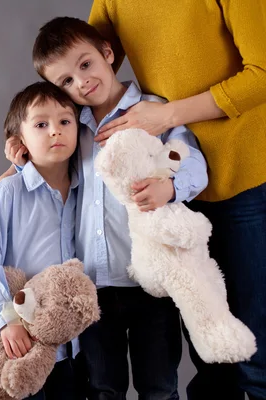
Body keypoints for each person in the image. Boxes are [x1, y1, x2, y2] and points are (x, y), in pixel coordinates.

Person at [0, 17, 209, 399]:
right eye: (66, 81)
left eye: (86, 64)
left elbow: (193, 163)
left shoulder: (153, 111)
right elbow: (50, 170)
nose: (82, 82)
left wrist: (170, 188)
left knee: (159, 386)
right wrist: (18, 164)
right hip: (91, 289)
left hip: (150, 284)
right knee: (103, 388)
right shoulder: (72, 127)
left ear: (108, 53)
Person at [86, 1, 266, 398]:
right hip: (170, 183)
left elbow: (262, 73)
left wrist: (168, 116)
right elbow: (79, 64)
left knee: (253, 338)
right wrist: (27, 152)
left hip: (242, 174)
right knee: (207, 341)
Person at [0, 81, 84, 400]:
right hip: (26, 341)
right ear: (19, 141)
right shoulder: (10, 193)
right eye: (41, 125)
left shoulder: (86, 188)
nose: (55, 132)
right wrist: (8, 320)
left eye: (64, 121)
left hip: (75, 342)